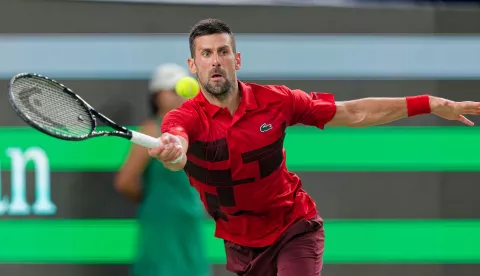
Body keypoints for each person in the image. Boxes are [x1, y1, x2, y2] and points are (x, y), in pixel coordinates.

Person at [147, 19, 480, 276]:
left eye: (222, 52)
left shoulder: (276, 101)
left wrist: (430, 103)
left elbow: (353, 111)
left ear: (237, 59)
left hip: (294, 227)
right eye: (206, 54)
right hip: (241, 244)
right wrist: (174, 151)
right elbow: (177, 147)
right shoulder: (183, 118)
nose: (215, 61)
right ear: (193, 66)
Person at [114, 63, 210, 276]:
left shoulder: (196, 129)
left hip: (190, 220)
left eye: (185, 89)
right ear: (158, 95)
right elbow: (125, 181)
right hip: (161, 222)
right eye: (174, 90)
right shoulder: (150, 130)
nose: (182, 95)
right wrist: (155, 202)